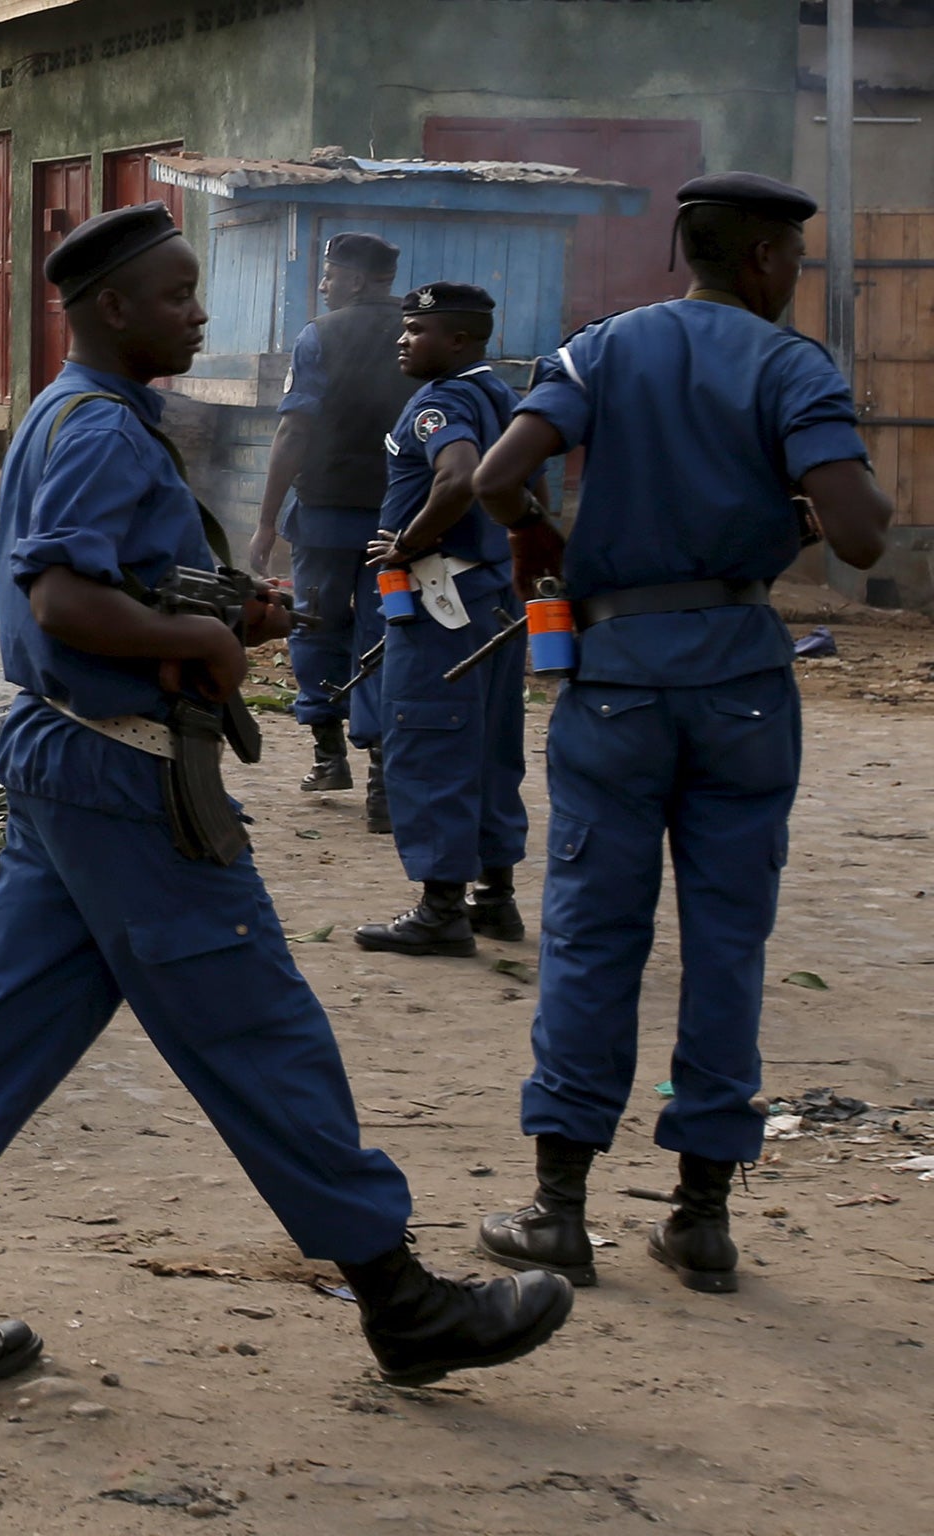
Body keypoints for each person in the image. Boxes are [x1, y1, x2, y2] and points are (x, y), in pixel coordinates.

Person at [0, 203, 572, 1396]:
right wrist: (207, 642)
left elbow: (110, 587)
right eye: (180, 295)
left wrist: (220, 610)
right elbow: (64, 604)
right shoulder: (97, 431)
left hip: (62, 765)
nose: (201, 313)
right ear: (109, 310)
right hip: (126, 777)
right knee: (258, 1027)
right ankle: (399, 1301)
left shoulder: (82, 414)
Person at [470, 174, 893, 1295]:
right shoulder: (791, 366)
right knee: (724, 942)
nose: (792, 278)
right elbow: (855, 536)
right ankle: (699, 1217)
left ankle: (558, 1209)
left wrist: (537, 535)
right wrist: (801, 502)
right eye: (791, 259)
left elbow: (495, 476)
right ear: (758, 258)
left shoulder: (602, 349)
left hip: (613, 683)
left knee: (591, 935)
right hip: (741, 686)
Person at [355, 284, 533, 957]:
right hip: (491, 600)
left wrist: (408, 543)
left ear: (458, 340)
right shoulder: (505, 399)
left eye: (417, 328)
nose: (402, 339)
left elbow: (457, 479)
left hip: (439, 603)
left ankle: (439, 912)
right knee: (489, 747)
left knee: (429, 742)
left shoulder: (441, 403)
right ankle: (496, 899)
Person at [249, 232, 418, 830]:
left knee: (315, 625)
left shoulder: (320, 334)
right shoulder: (423, 330)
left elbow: (294, 431)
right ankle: (382, 778)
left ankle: (328, 754)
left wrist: (266, 522)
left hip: (322, 517)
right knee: (385, 637)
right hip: (401, 525)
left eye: (328, 275)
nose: (322, 286)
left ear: (353, 278)